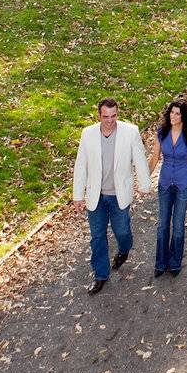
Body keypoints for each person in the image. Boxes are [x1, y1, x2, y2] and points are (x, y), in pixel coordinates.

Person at [72, 98, 151, 295]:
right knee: (97, 237)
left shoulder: (130, 132)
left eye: (113, 116)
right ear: (98, 115)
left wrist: (144, 185)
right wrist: (78, 196)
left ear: (117, 113)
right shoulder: (88, 134)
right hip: (96, 197)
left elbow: (140, 160)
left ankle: (124, 250)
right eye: (106, 116)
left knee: (122, 232)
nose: (110, 120)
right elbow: (81, 165)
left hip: (119, 195)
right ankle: (100, 275)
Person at [148, 97, 187, 277]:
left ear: (184, 116)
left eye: (178, 113)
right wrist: (145, 179)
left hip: (183, 185)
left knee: (177, 225)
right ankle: (160, 264)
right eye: (172, 112)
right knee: (163, 225)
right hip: (164, 184)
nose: (173, 116)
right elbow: (155, 157)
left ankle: (175, 263)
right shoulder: (162, 132)